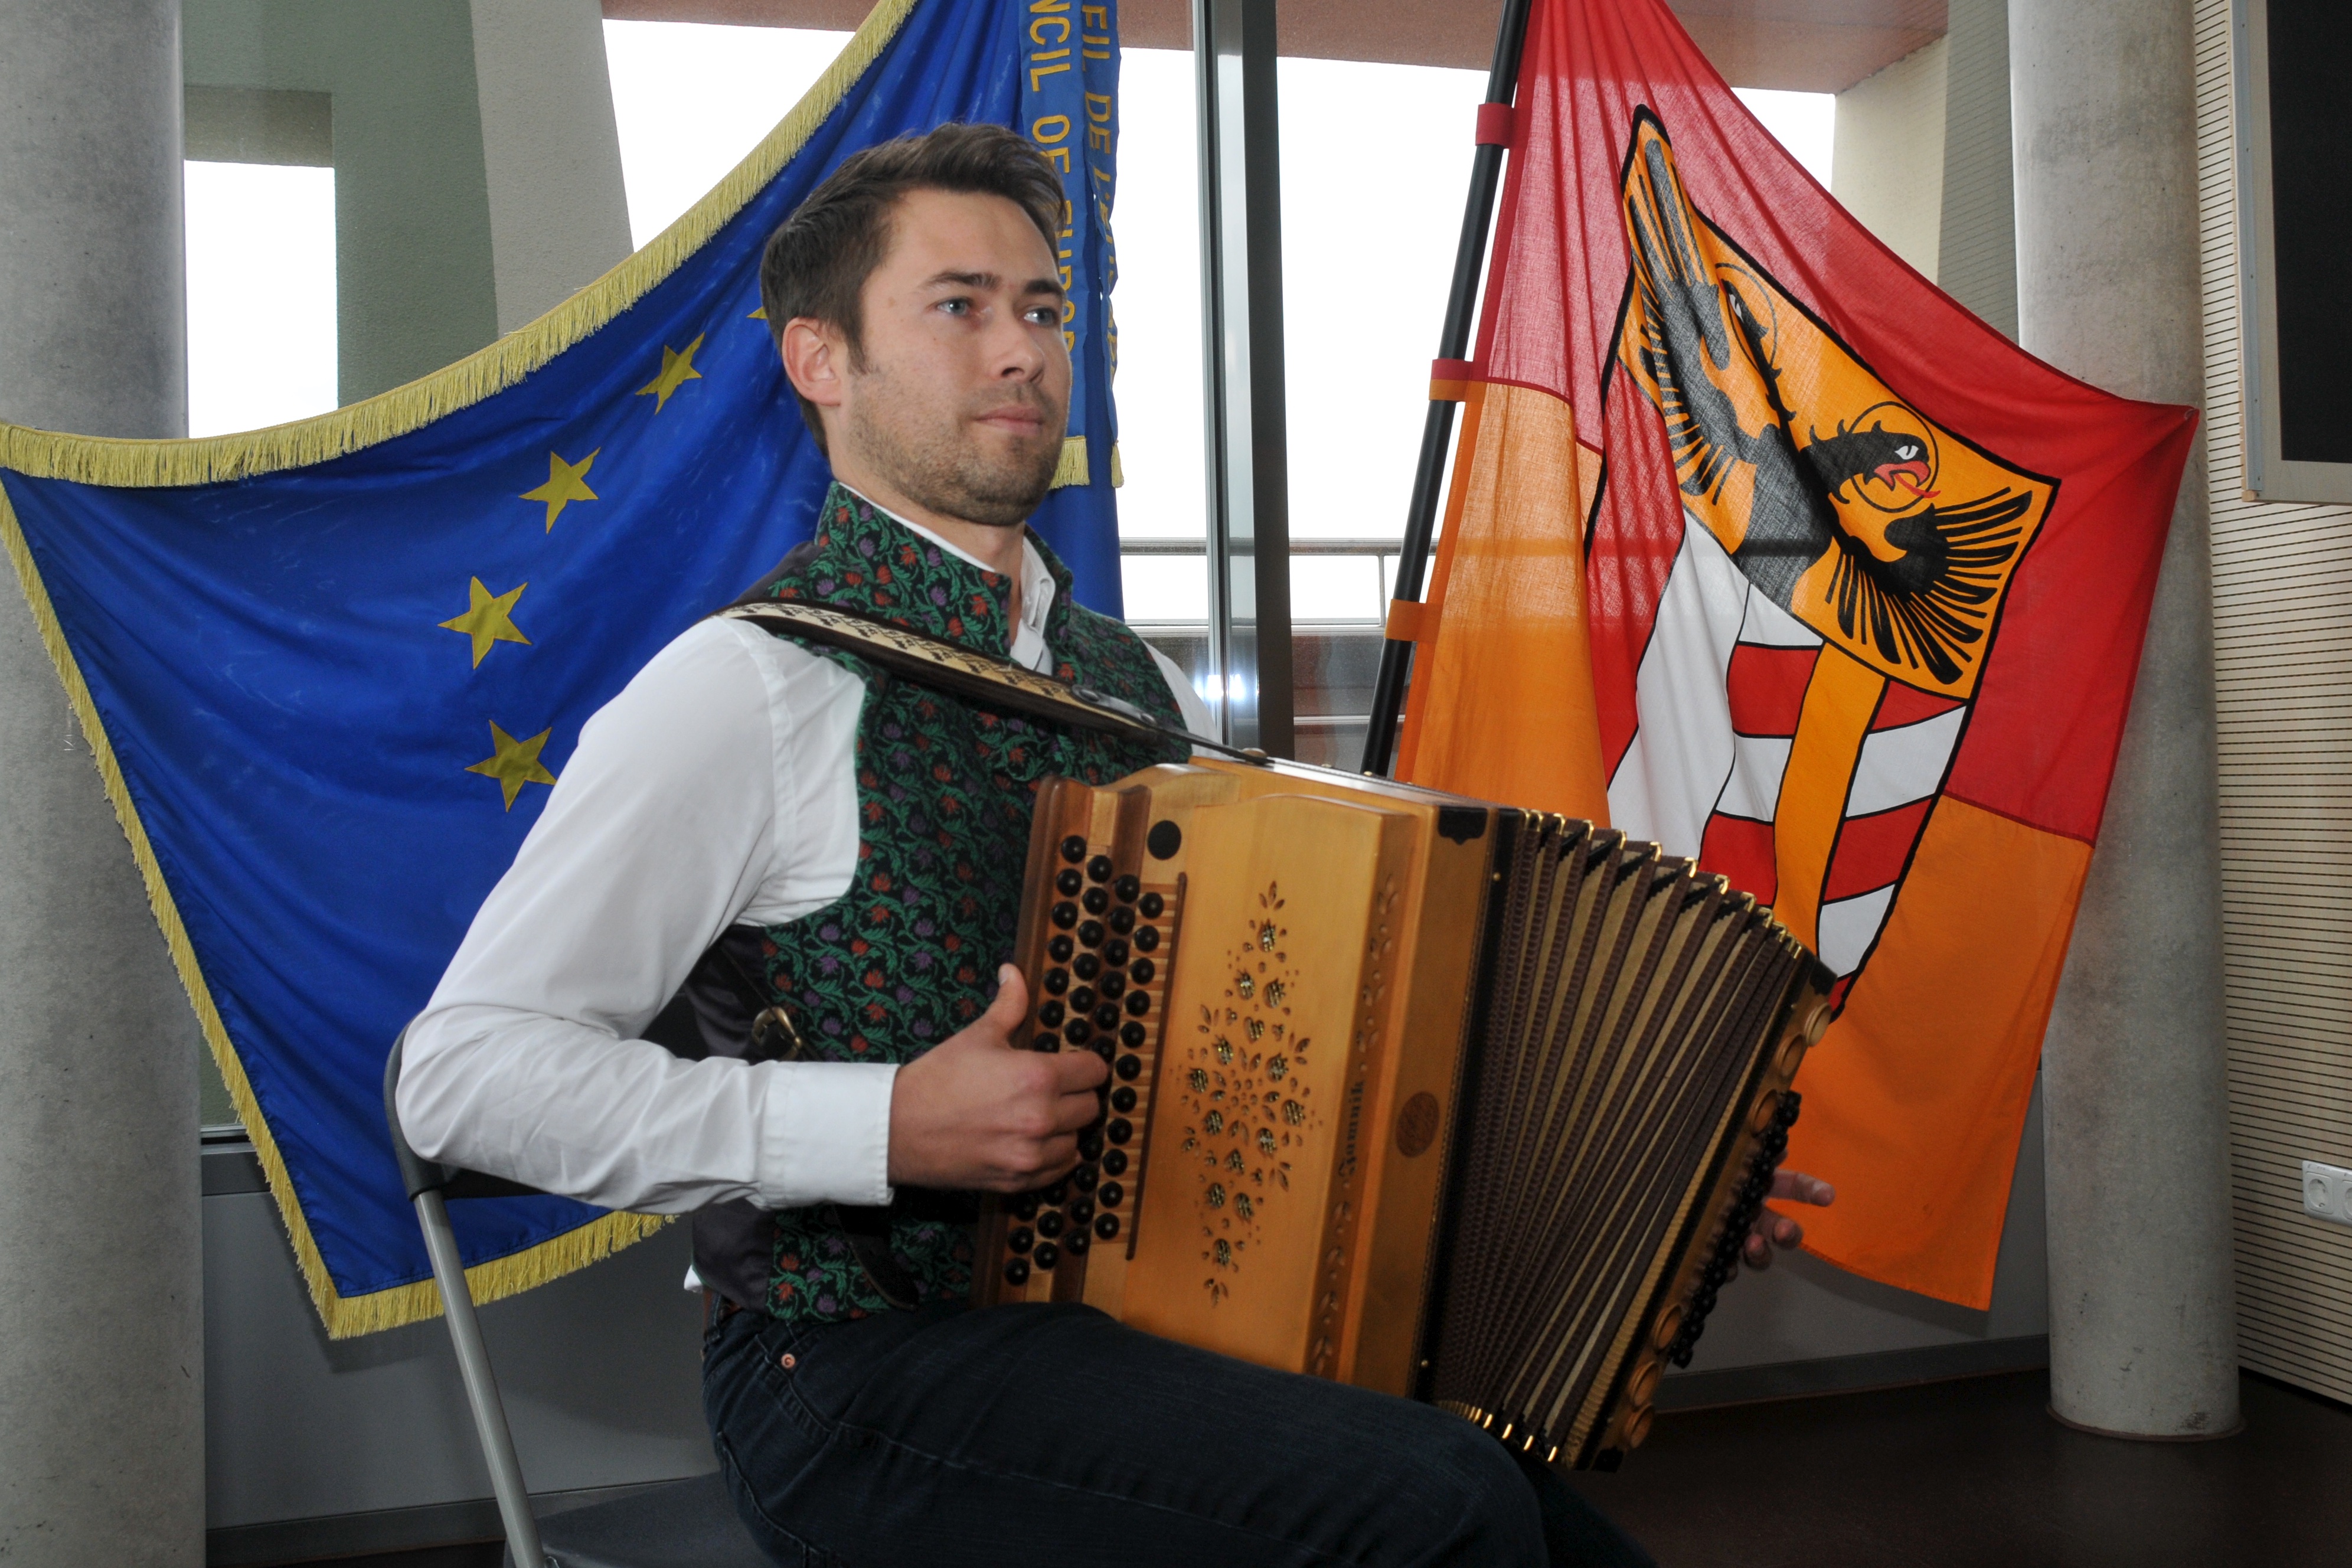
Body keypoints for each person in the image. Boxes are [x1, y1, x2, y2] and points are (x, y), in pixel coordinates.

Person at [398, 122, 1832, 1568]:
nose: (1021, 350)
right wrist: (879, 1122)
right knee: (1438, 1512)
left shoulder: (1121, 682)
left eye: (1041, 308)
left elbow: (1289, 1037)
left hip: (1139, 1326)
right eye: (957, 306)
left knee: (1533, 1513)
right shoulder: (744, 688)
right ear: (819, 362)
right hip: (851, 1377)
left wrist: (1649, 1177)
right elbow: (459, 1077)